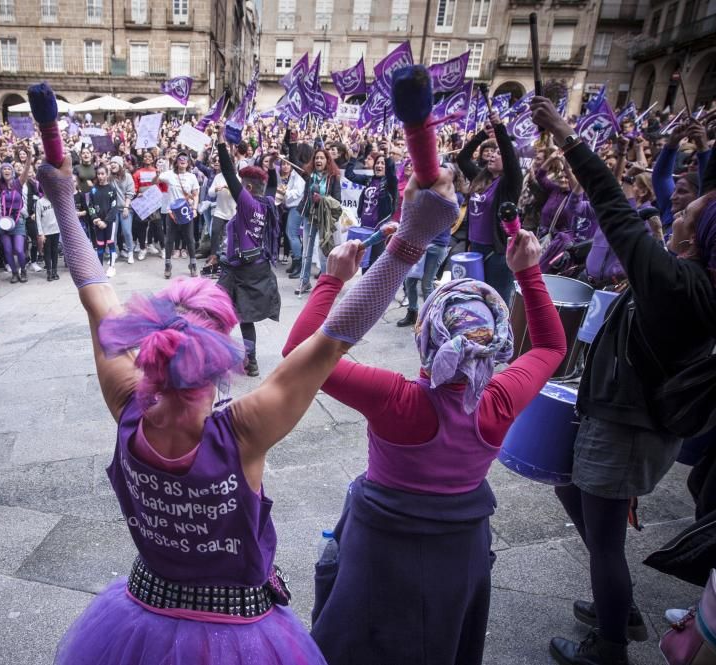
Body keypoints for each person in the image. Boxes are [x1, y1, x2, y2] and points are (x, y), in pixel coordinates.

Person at [26, 81, 386, 665]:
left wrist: (64, 198)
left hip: (140, 618)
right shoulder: (240, 431)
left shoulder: (128, 405)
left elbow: (93, 293)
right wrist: (406, 245)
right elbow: (330, 343)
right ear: (219, 352)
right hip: (237, 635)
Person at [284, 67, 566, 665]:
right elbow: (549, 349)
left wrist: (333, 279)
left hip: (379, 548)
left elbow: (298, 358)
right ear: (491, 347)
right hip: (460, 551)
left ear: (424, 337)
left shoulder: (402, 403)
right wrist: (530, 273)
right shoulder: (497, 401)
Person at [530, 96, 716, 665]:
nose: (674, 209)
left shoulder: (677, 283)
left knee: (605, 541)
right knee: (568, 484)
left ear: (695, 236)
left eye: (686, 211)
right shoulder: (687, 274)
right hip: (626, 417)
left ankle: (611, 642)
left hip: (629, 427)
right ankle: (620, 605)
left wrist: (567, 135)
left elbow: (612, 206)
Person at [213, 126, 281, 378]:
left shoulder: (248, 203)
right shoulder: (268, 204)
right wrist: (271, 166)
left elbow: (228, 173)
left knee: (213, 309)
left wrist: (221, 143)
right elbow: (272, 186)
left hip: (238, 270)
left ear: (248, 190)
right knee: (245, 318)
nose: (237, 188)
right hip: (258, 267)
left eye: (242, 186)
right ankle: (251, 362)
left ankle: (209, 354)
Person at [455, 112, 523, 304]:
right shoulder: (480, 177)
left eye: (499, 153)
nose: (493, 154)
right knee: (475, 300)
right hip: (475, 249)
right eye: (492, 151)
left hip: (497, 254)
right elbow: (462, 158)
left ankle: (500, 335)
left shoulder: (509, 183)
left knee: (496, 302)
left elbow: (510, 156)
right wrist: (482, 135)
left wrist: (500, 128)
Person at [295, 147, 342, 296]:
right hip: (309, 216)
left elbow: (338, 200)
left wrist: (322, 200)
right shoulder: (309, 176)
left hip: (324, 219)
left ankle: (324, 285)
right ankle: (304, 281)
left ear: (327, 161)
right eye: (316, 158)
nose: (318, 161)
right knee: (306, 252)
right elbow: (293, 159)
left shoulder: (333, 177)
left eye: (321, 158)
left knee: (323, 253)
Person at [158, 153, 201, 279]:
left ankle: (193, 265)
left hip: (186, 211)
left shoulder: (192, 176)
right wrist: (159, 171)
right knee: (169, 239)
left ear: (188, 162)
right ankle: (167, 265)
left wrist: (194, 209)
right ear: (176, 161)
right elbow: (157, 180)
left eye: (185, 159)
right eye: (180, 159)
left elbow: (196, 194)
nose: (183, 161)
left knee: (189, 238)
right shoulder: (169, 174)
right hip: (171, 212)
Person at [34, 189, 61, 281]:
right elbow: (37, 218)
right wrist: (41, 233)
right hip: (46, 231)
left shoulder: (56, 200)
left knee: (55, 251)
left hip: (56, 230)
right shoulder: (39, 202)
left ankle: (54, 271)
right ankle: (49, 272)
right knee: (47, 252)